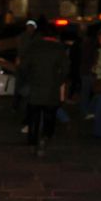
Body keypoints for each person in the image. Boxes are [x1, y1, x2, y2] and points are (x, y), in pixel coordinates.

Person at [21, 22, 69, 156]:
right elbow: (66, 70)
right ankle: (44, 138)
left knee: (34, 117)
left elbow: (24, 66)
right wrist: (58, 81)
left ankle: (32, 143)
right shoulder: (59, 49)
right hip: (51, 89)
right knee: (49, 116)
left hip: (35, 88)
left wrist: (31, 78)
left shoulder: (34, 47)